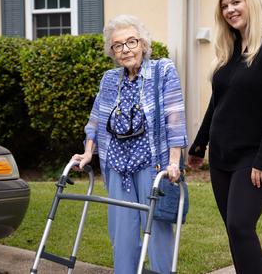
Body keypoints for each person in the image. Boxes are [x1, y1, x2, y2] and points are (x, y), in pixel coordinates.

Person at [188, 0, 262, 274]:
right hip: (223, 157)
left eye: (236, 2)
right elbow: (218, 102)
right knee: (234, 231)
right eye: (224, 6)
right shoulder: (230, 50)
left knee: (240, 224)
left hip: (257, 156)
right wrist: (199, 145)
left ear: (251, 2)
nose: (230, 10)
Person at [71, 14, 188, 274]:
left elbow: (175, 116)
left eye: (131, 42)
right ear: (112, 51)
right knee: (122, 233)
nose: (125, 50)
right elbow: (96, 119)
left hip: (152, 162)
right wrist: (89, 152)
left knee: (157, 227)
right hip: (116, 166)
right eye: (118, 45)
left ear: (144, 44)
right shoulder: (110, 79)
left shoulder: (162, 70)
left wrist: (174, 161)